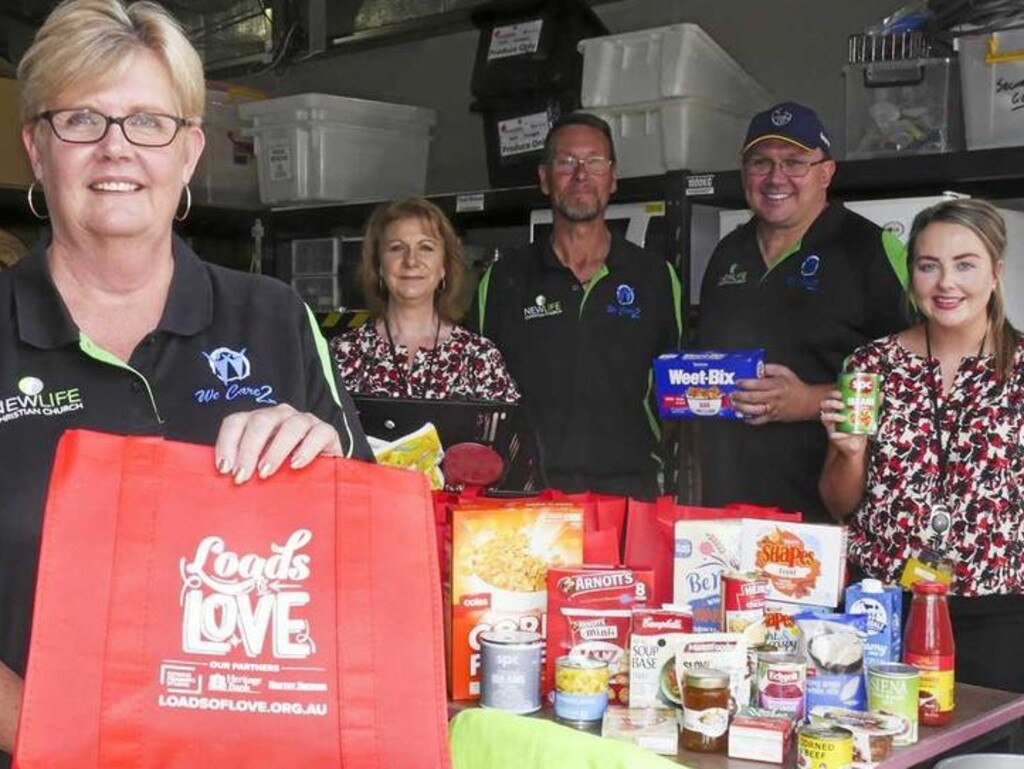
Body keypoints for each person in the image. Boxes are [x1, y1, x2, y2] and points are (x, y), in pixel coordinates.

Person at [0, 0, 373, 758]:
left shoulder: (273, 318)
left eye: (148, 121)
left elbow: (363, 568)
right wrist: (69, 735)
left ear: (189, 150)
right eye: (80, 120)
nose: (116, 149)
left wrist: (326, 466)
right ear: (37, 149)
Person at [820, 198, 1024, 691]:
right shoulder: (873, 364)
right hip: (884, 607)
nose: (946, 283)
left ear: (995, 273)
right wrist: (848, 453)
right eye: (928, 266)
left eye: (965, 265)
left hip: (998, 615)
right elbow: (837, 502)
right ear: (911, 275)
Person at [695, 102, 908, 523]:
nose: (776, 178)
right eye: (761, 163)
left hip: (826, 511)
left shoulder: (870, 248)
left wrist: (810, 401)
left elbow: (912, 382)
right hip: (727, 508)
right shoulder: (726, 254)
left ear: (826, 172)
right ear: (744, 172)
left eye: (794, 163)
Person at [470, 112, 683, 499]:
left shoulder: (655, 277)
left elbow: (677, 394)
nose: (581, 174)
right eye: (566, 162)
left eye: (595, 162)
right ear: (544, 177)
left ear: (613, 177)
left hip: (629, 493)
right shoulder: (503, 279)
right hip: (526, 494)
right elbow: (481, 398)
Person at [330, 197, 519, 402]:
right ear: (379, 265)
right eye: (397, 248)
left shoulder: (479, 357)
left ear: (444, 266)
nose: (411, 261)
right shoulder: (342, 355)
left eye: (426, 247)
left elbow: (506, 432)